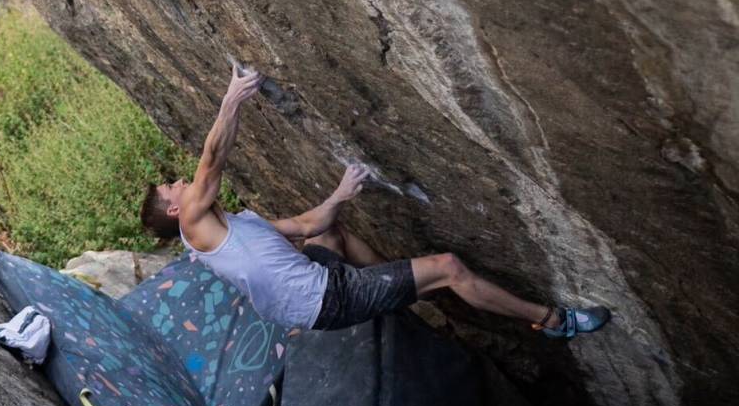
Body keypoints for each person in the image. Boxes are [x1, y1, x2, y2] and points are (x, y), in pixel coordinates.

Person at [140, 64, 610, 337]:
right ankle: (553, 321)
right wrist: (232, 100)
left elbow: (304, 227)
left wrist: (341, 193)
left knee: (330, 231)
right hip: (329, 300)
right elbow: (211, 160)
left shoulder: (229, 226)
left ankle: (399, 286)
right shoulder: (195, 227)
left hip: (310, 292)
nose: (179, 182)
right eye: (171, 189)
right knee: (449, 266)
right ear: (176, 211)